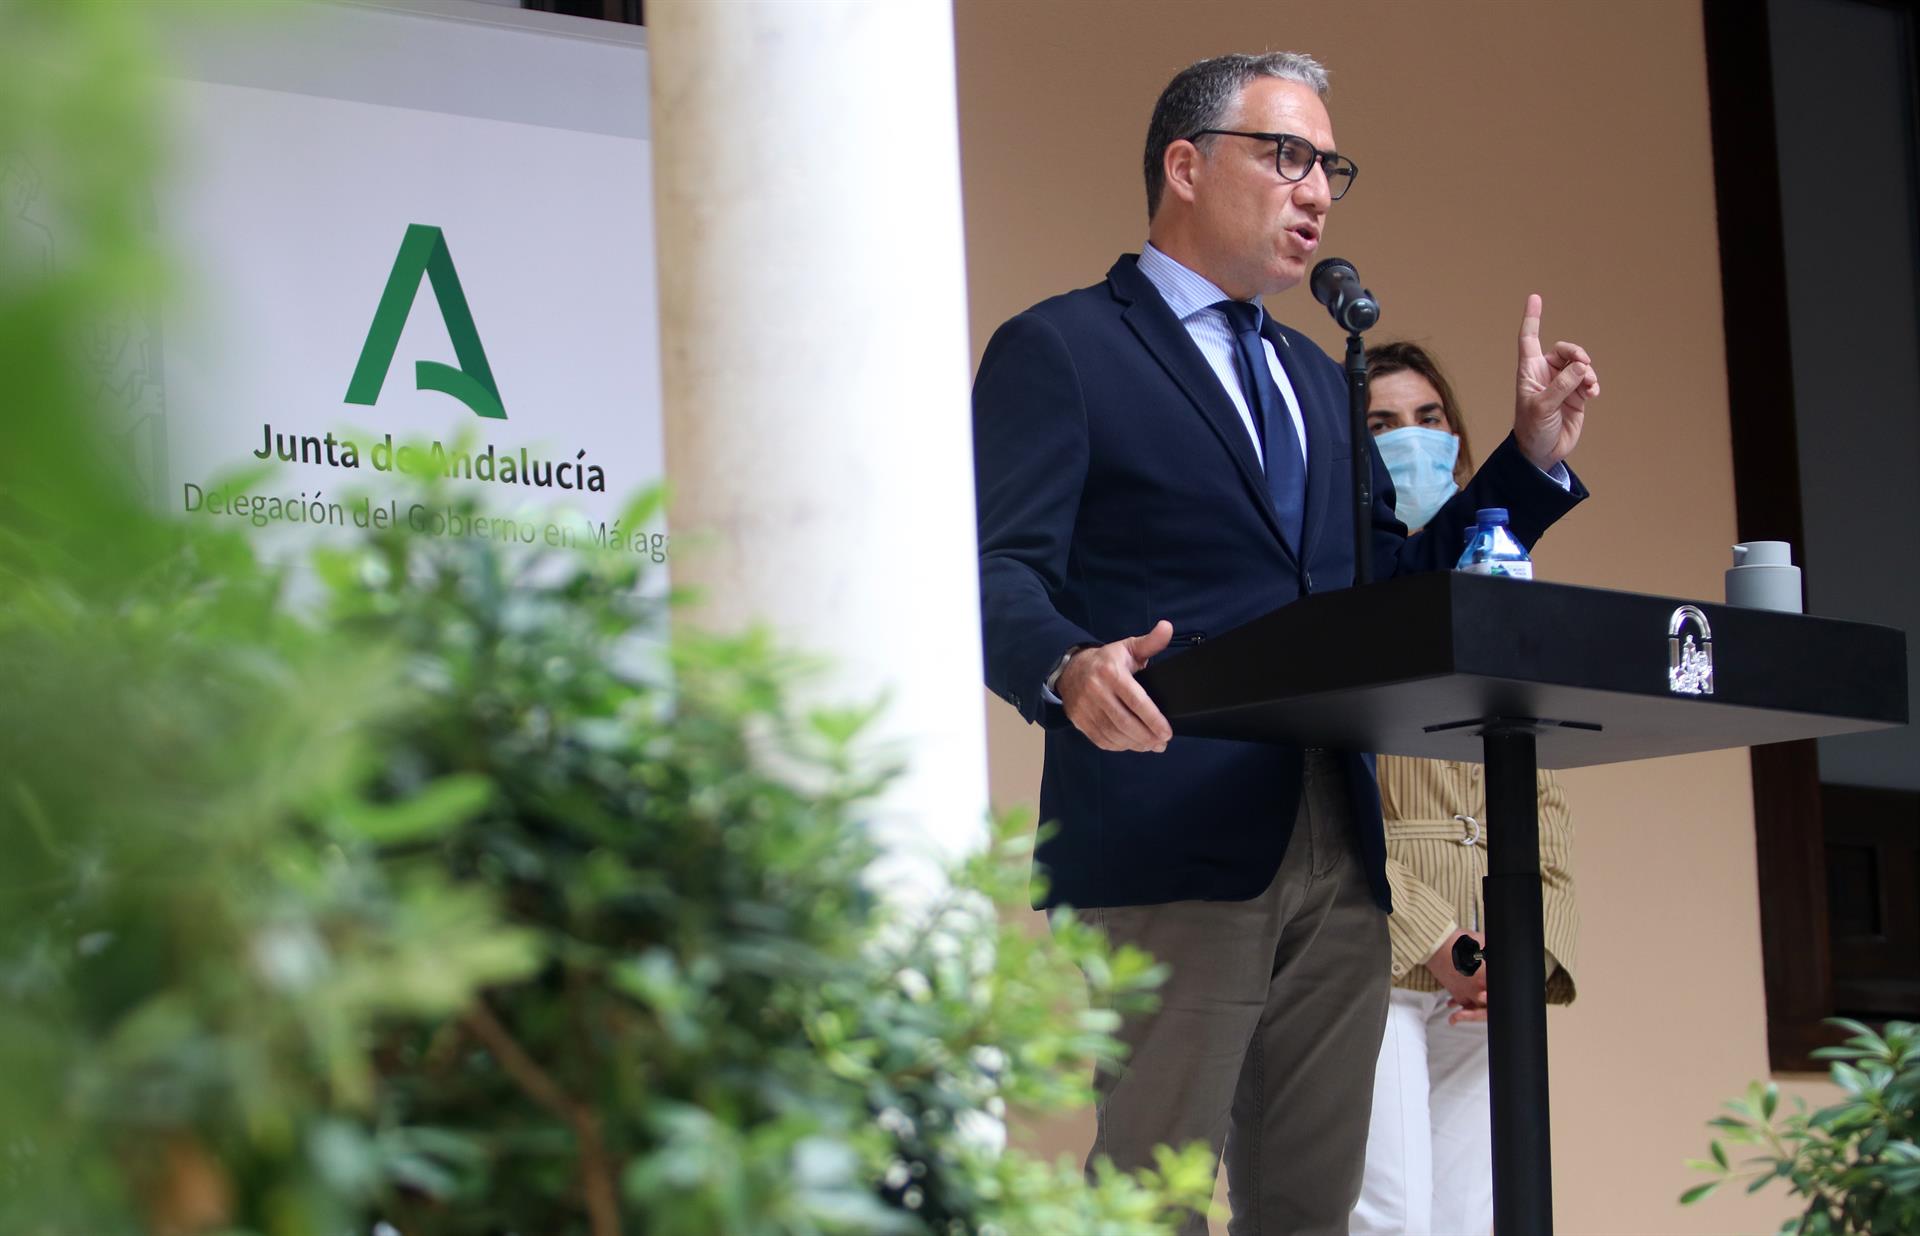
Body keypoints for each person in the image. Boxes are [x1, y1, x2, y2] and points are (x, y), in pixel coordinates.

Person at [970, 52, 1599, 1234]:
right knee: (1150, 1199)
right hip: (1167, 825)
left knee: (1311, 1207)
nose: (1317, 191)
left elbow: (1395, 588)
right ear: (1185, 163)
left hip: (1336, 839)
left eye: (1331, 168)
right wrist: (1064, 664)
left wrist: (1528, 463)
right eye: (1288, 156)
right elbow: (992, 568)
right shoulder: (1062, 349)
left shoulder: (1319, 377)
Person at [1349, 341, 1581, 1235]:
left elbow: (1544, 788)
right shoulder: (1339, 588)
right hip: (1377, 956)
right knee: (1389, 1217)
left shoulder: (1502, 578)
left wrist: (1526, 949)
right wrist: (1436, 936)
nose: (1412, 440)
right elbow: (1321, 789)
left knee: (1486, 1216)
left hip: (1493, 964)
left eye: (1430, 418)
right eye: (1380, 426)